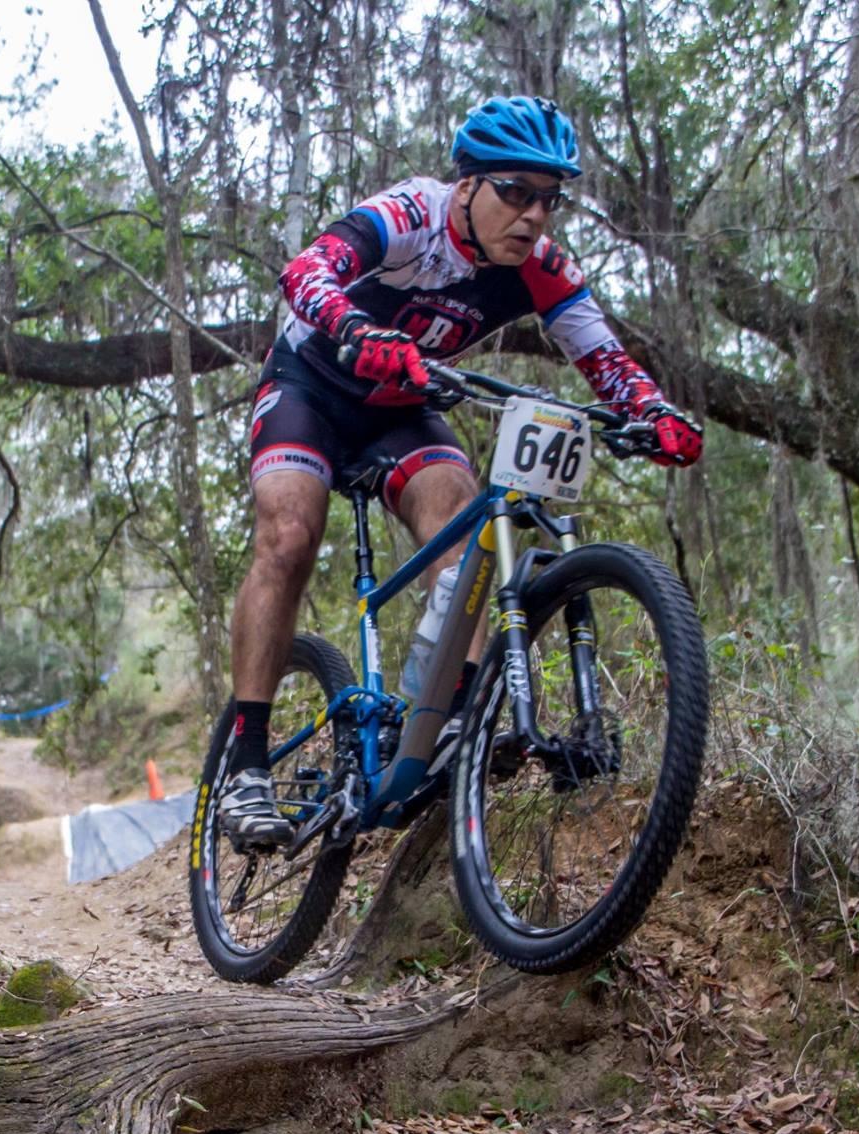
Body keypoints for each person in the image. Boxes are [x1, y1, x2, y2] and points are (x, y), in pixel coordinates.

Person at [219, 95, 704, 848]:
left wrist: (653, 410)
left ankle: (439, 728)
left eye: (549, 199)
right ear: (469, 184)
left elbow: (601, 354)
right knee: (288, 534)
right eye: (515, 191)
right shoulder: (411, 213)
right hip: (310, 388)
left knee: (472, 530)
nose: (534, 215)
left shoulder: (539, 266)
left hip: (400, 407)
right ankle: (245, 766)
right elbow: (307, 272)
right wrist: (355, 325)